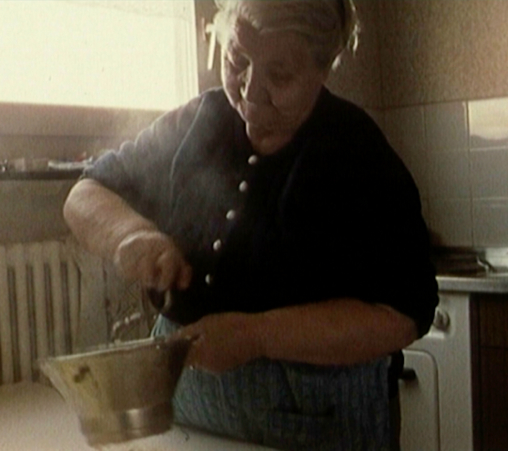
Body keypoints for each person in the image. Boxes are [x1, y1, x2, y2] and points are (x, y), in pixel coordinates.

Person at [63, 0, 439, 449]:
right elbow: (86, 193)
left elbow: (403, 316)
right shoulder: (199, 120)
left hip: (319, 419)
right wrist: (130, 235)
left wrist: (256, 336)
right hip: (188, 413)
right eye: (237, 60)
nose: (251, 91)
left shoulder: (356, 152)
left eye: (280, 75)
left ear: (323, 69)